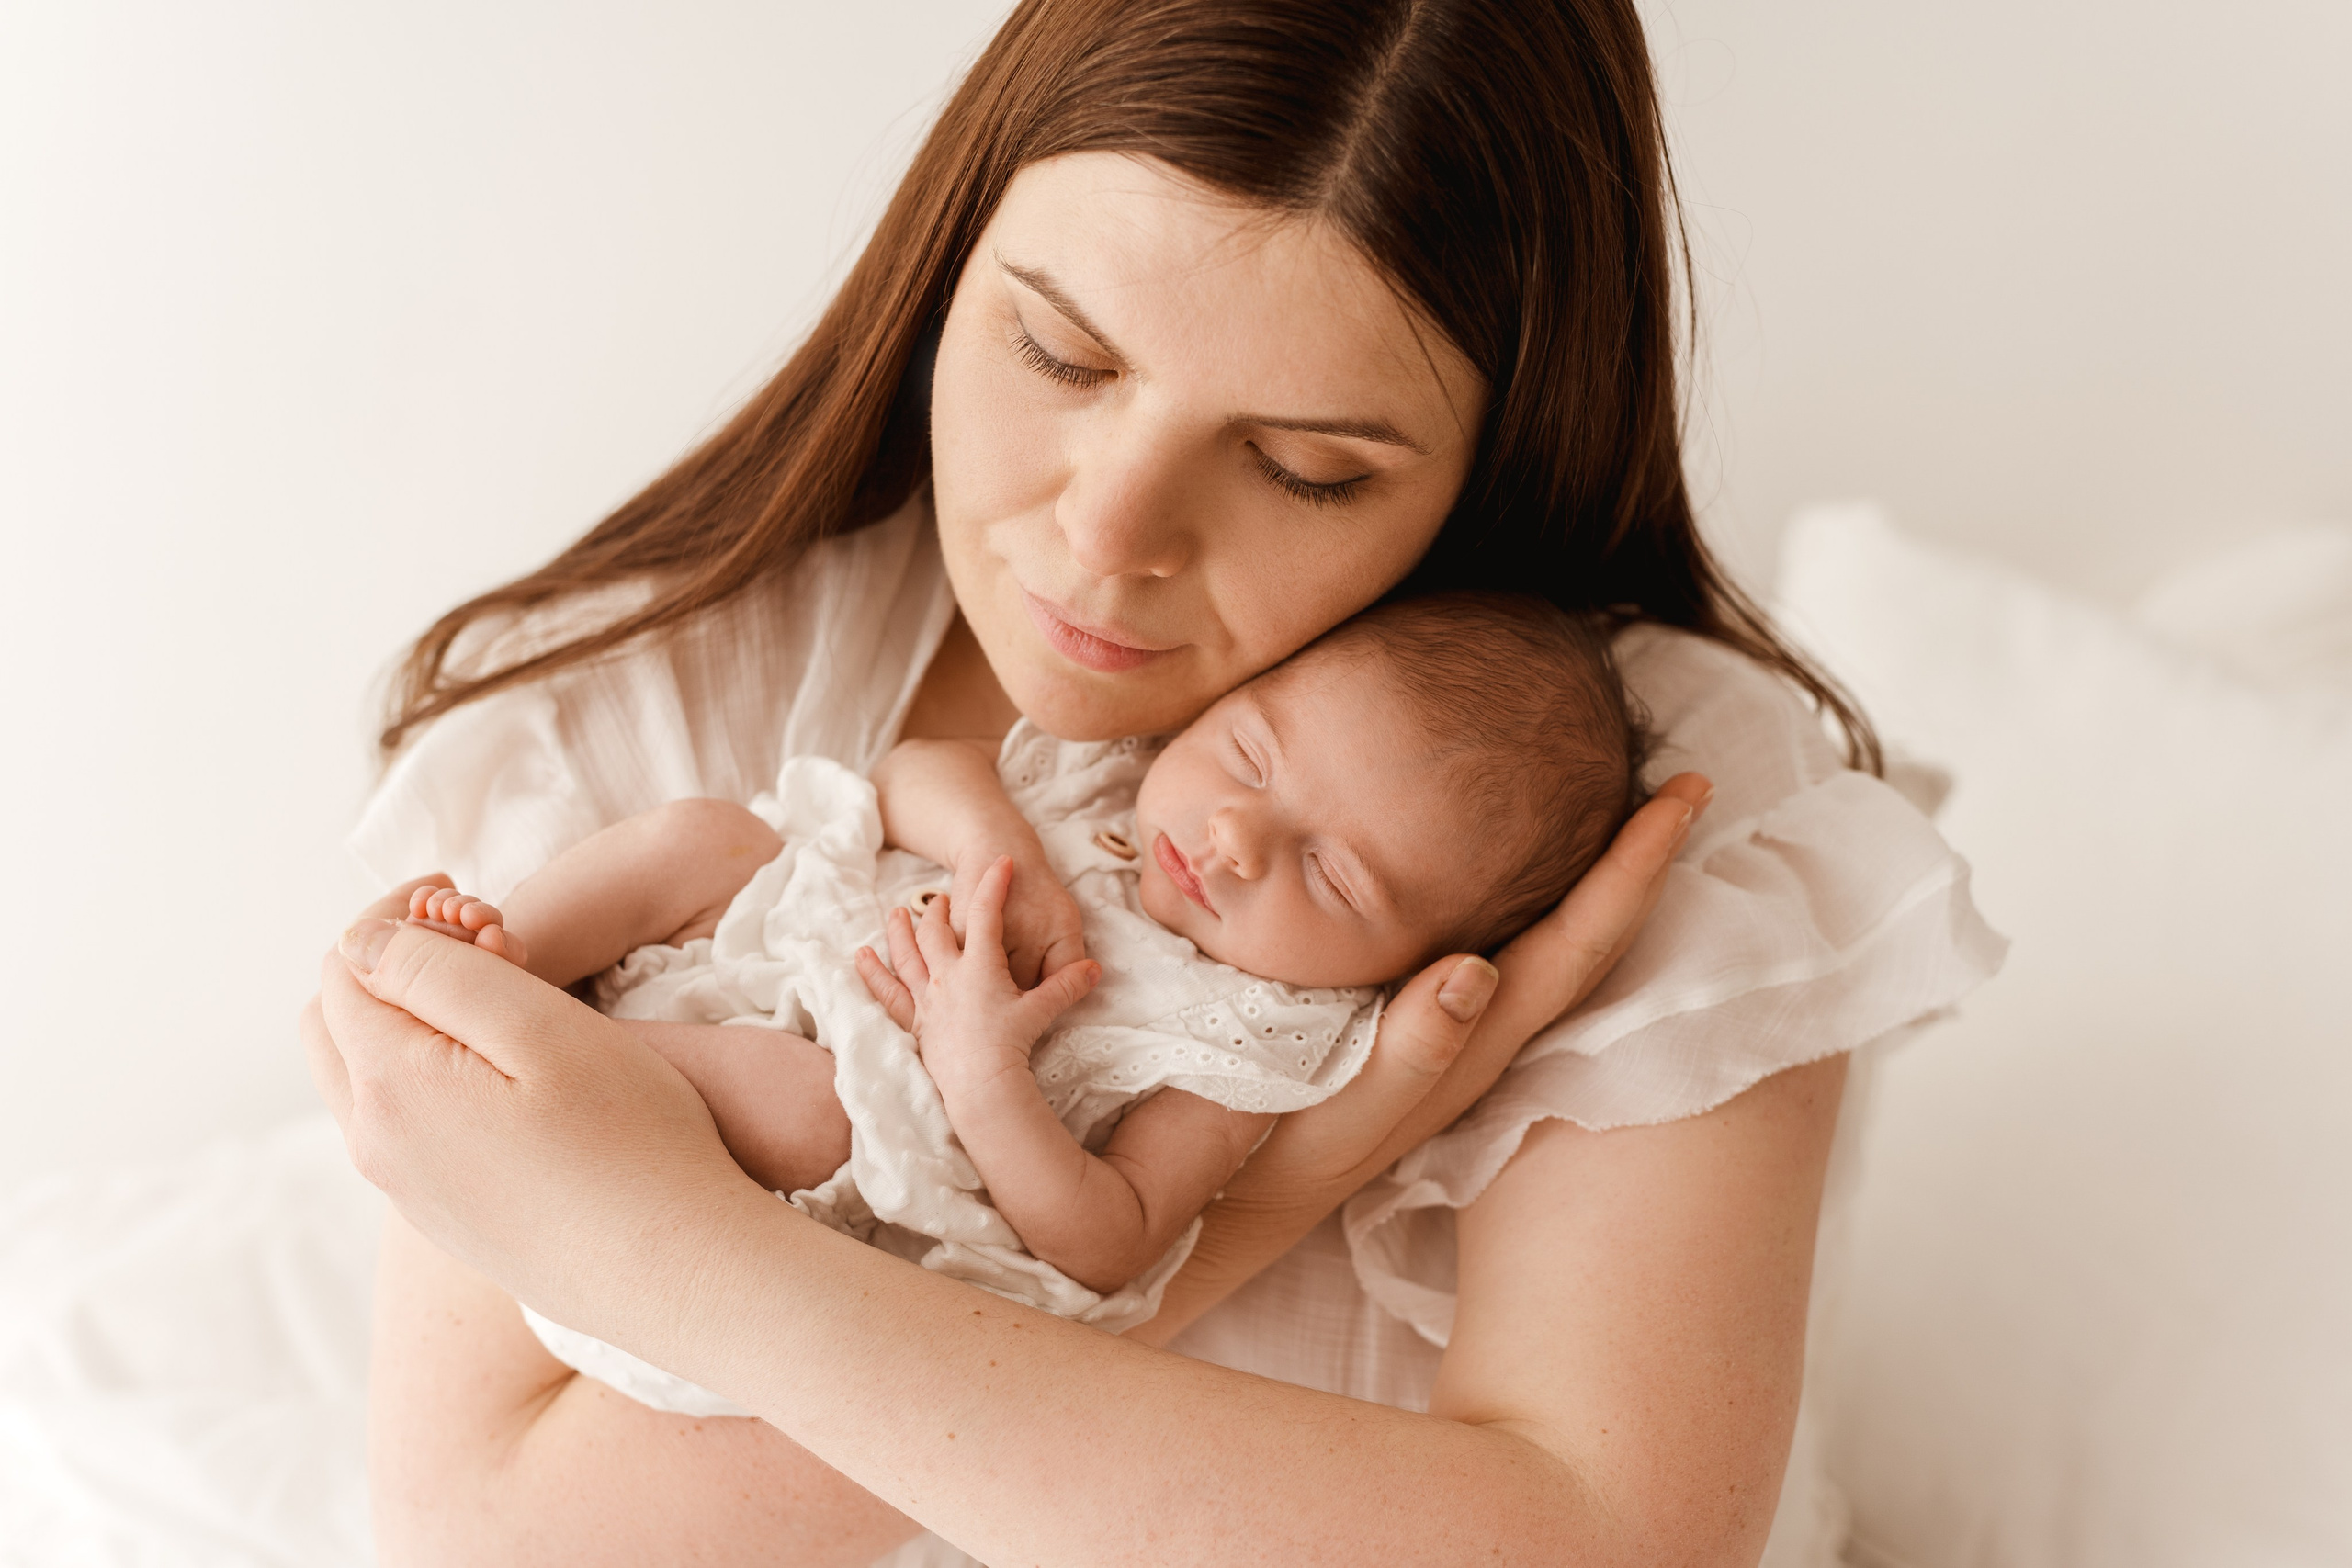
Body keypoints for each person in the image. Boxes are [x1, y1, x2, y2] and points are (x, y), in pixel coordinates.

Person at [303, 3, 2005, 1563]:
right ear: (951, 253)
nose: (1104, 538)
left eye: (1302, 467)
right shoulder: (650, 704)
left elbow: (1599, 1546)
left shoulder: (1625, 810)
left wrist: (675, 1246)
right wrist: (1293, 1178)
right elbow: (492, 1540)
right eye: (1059, 356)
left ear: (1496, 447)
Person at [400, 592, 1644, 1391]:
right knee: (706, 837)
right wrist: (1001, 849)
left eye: (1330, 873)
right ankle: (505, 960)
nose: (1231, 839)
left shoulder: (1259, 1040)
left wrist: (979, 1071)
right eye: (1252, 754)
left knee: (817, 1103)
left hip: (776, 1168)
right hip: (755, 961)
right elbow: (913, 772)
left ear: (1408, 962)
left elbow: (1112, 1233)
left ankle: (542, 1063)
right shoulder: (1113, 781)